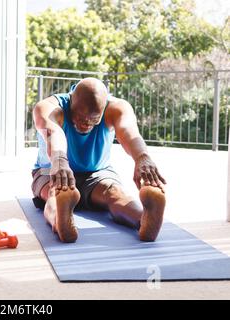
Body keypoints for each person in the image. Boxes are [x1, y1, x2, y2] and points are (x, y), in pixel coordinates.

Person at [31, 78, 166, 243]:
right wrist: (59, 161)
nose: (86, 124)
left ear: (102, 110)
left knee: (115, 193)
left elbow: (129, 132)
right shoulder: (49, 107)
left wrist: (142, 157)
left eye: (94, 120)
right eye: (80, 118)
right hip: (52, 169)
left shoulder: (117, 108)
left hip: (97, 172)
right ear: (71, 100)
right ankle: (61, 220)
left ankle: (144, 219)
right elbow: (53, 132)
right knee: (55, 193)